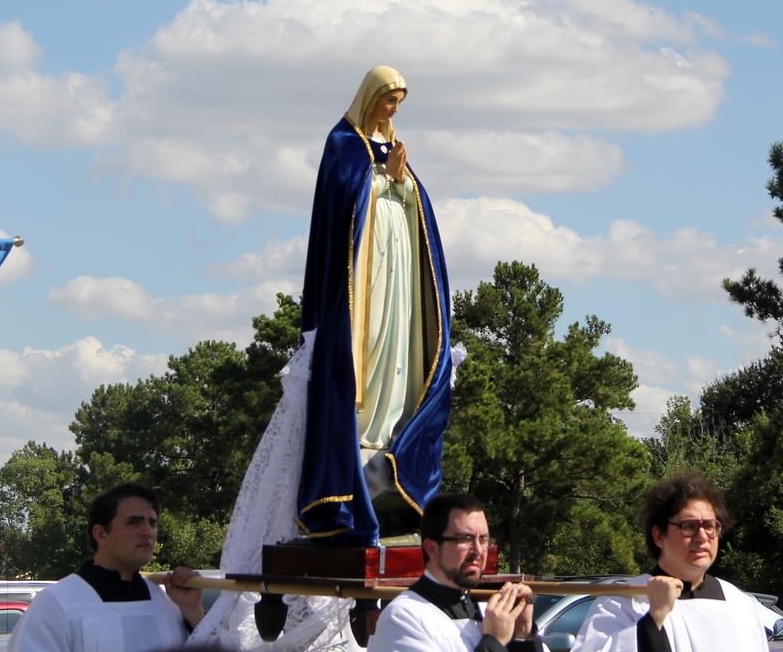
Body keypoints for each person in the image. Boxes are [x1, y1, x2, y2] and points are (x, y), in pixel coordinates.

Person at [297, 65, 459, 547]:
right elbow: (341, 201)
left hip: (399, 268)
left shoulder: (394, 149)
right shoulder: (342, 144)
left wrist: (403, 185)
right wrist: (382, 182)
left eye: (398, 103)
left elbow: (416, 201)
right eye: (388, 101)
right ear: (369, 98)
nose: (393, 110)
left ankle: (391, 429)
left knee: (400, 341)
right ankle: (364, 432)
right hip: (363, 271)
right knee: (365, 346)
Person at [571, 472, 768, 652]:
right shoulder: (623, 602)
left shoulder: (738, 603)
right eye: (688, 526)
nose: (702, 537)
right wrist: (654, 618)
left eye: (710, 526)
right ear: (658, 536)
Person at [7, 483, 205, 652]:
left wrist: (192, 611)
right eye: (134, 523)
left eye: (152, 523)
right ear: (101, 534)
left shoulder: (167, 604)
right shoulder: (57, 604)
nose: (147, 532)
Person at [369, 493, 544, 652]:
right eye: (465, 539)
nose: (478, 550)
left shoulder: (490, 610)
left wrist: (521, 636)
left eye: (483, 539)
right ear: (432, 549)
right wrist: (494, 642)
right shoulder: (403, 617)